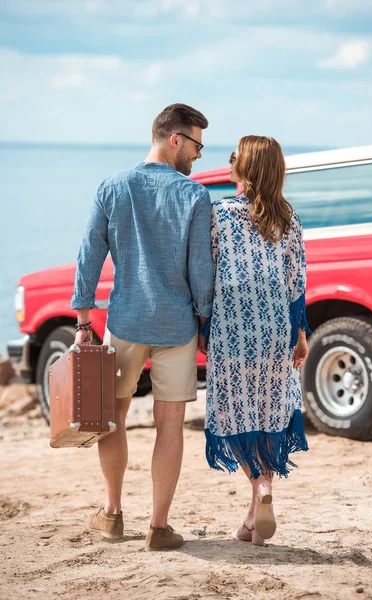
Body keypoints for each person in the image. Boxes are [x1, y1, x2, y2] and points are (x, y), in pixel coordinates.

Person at [71, 103, 214, 551]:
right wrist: (205, 321)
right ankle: (159, 526)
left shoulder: (113, 187)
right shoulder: (193, 196)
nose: (198, 155)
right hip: (177, 327)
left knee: (111, 419)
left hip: (126, 322)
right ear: (175, 139)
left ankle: (112, 515)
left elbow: (88, 254)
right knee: (169, 425)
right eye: (196, 144)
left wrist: (82, 320)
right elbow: (201, 271)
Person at [199, 135, 310, 546]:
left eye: (236, 157)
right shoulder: (289, 219)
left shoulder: (221, 215)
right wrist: (300, 336)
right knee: (267, 415)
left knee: (231, 415)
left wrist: (202, 327)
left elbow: (206, 277)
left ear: (247, 169)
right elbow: (296, 283)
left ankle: (260, 482)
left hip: (233, 331)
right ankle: (253, 519)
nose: (230, 161)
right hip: (276, 332)